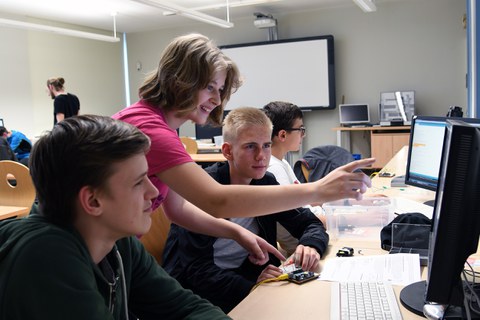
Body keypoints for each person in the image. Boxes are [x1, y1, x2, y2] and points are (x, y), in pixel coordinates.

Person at [112, 33, 374, 264]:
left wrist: (235, 231)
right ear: (182, 81)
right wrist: (317, 190)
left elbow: (177, 209)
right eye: (209, 87)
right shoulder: (150, 128)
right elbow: (216, 200)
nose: (216, 100)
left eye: (220, 90)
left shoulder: (157, 125)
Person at [0, 115, 230, 319]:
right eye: (139, 182)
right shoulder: (46, 259)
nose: (153, 192)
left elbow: (183, 307)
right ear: (92, 201)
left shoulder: (117, 239)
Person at [162, 107, 329, 312]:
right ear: (227, 151)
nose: (261, 156)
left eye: (266, 145)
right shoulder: (203, 191)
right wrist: (251, 286)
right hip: (199, 294)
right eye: (251, 147)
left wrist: (311, 246)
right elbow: (197, 271)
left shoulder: (265, 182)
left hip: (245, 281)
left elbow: (308, 222)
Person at [262, 101, 325, 255]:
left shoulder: (281, 162)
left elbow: (305, 198)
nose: (303, 135)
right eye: (301, 130)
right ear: (283, 134)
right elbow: (294, 221)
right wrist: (345, 220)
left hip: (315, 230)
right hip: (305, 244)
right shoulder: (274, 169)